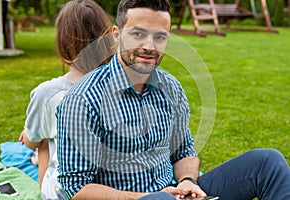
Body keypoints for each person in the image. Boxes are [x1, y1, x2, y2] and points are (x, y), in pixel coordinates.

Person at [56, 0, 290, 199]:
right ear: (117, 35)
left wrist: (187, 181)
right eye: (138, 34)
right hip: (136, 197)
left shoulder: (171, 87)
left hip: (173, 192)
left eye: (160, 37)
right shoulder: (83, 100)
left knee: (268, 162)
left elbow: (184, 151)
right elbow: (76, 189)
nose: (149, 46)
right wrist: (151, 197)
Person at [18, 0, 116, 199]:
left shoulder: (47, 93)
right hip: (116, 184)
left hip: (71, 191)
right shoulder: (121, 84)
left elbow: (31, 141)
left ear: (63, 43)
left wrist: (28, 135)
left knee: (43, 139)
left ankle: (43, 193)